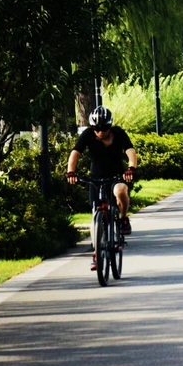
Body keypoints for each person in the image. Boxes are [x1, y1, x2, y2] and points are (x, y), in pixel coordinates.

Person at [66, 106, 137, 270]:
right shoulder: (87, 136)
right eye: (97, 129)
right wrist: (71, 172)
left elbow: (130, 151)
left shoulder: (119, 134)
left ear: (110, 126)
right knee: (95, 216)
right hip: (96, 179)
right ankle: (97, 253)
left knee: (120, 191)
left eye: (104, 128)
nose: (100, 132)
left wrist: (131, 168)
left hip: (116, 177)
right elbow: (75, 153)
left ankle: (124, 218)